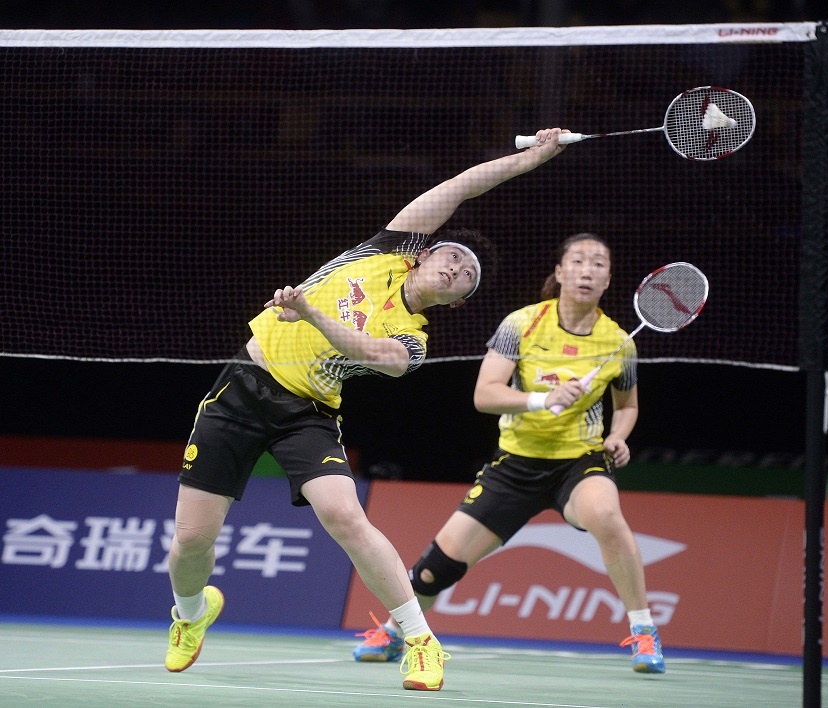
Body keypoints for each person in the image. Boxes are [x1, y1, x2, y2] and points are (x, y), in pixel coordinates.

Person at [163, 128, 572, 691]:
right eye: (453, 257)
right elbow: (459, 188)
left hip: (305, 411)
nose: (456, 270)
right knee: (191, 540)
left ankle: (421, 640)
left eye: (466, 278)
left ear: (458, 300)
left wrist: (310, 313)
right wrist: (530, 160)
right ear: (425, 253)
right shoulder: (385, 250)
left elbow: (374, 354)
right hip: (243, 386)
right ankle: (191, 612)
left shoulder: (414, 340)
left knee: (346, 516)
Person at [353, 232, 666, 674]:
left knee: (607, 517)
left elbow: (628, 406)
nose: (587, 270)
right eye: (577, 261)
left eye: (598, 264)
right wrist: (543, 400)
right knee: (433, 571)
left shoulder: (620, 342)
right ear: (559, 273)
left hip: (579, 462)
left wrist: (619, 436)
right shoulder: (521, 324)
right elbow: (485, 394)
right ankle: (393, 633)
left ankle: (643, 633)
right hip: (515, 464)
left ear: (609, 279)